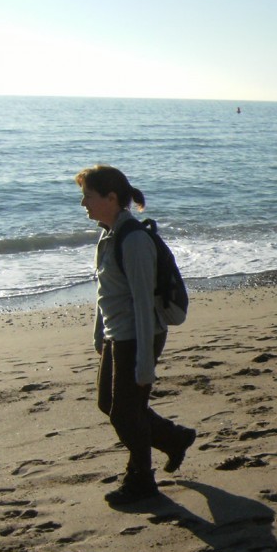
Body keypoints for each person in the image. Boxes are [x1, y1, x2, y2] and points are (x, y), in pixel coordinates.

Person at [76, 165, 196, 506]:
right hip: (118, 336)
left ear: (111, 198)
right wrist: (100, 335)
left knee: (125, 414)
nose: (83, 203)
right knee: (109, 403)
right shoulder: (109, 234)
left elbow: (144, 306)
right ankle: (174, 438)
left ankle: (141, 478)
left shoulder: (134, 240)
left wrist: (145, 364)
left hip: (139, 336)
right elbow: (108, 293)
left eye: (88, 195)